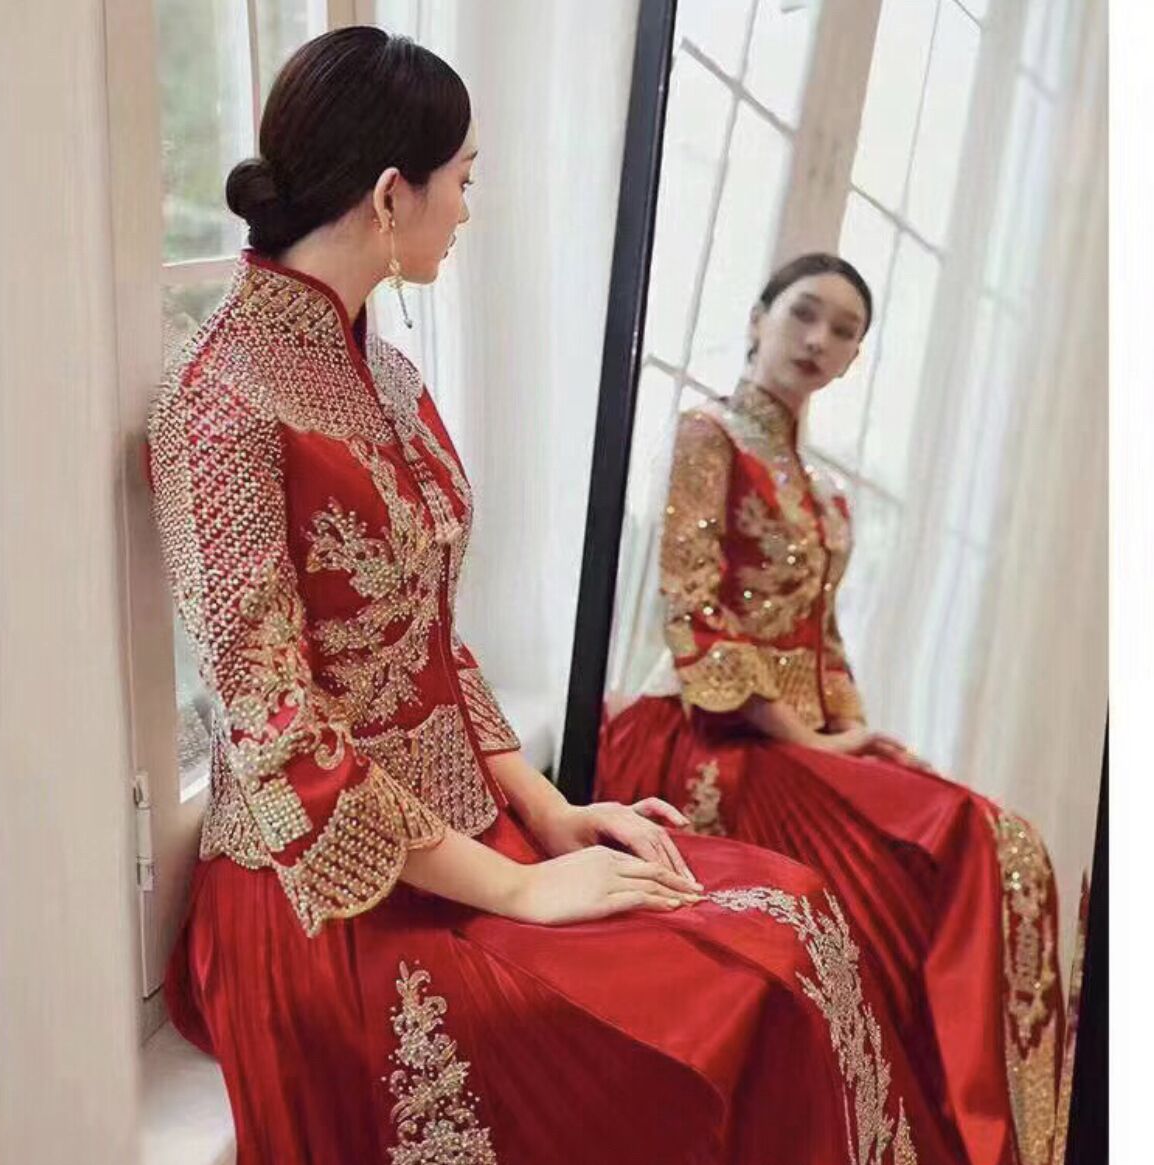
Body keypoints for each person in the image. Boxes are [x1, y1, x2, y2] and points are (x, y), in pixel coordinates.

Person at [149, 29, 958, 1165]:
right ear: (391, 194)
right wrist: (520, 892)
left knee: (794, 919)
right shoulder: (220, 398)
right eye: (463, 180)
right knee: (736, 998)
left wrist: (551, 811)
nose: (467, 210)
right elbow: (279, 735)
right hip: (324, 896)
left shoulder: (384, 370)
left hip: (473, 832)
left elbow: (434, 639)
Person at [594, 253, 1065, 1165]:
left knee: (997, 843)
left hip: (798, 734)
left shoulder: (821, 492)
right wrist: (802, 734)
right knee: (964, 839)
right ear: (757, 318)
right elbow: (693, 606)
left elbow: (824, 639)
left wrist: (852, 733)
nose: (819, 339)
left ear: (854, 359)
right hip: (709, 730)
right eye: (805, 313)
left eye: (844, 331)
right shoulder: (709, 436)